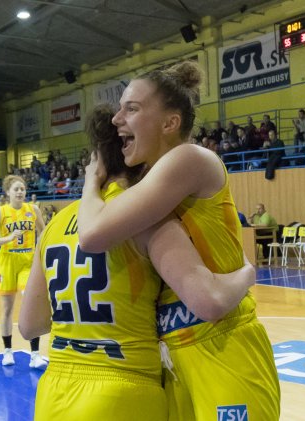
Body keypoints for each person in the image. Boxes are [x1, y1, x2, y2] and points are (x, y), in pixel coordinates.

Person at [19, 105, 254, 421]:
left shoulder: (53, 226)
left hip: (54, 391)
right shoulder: (148, 221)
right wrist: (246, 272)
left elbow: (29, 326)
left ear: (96, 160)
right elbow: (206, 299)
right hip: (123, 389)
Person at [77, 61, 280, 420]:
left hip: (223, 343)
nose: (116, 118)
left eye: (132, 108)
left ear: (170, 123)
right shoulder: (148, 185)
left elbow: (91, 235)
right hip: (173, 351)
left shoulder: (189, 158)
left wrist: (91, 182)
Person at [0, 175, 46, 368]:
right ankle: (7, 351)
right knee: (7, 309)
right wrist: (7, 238)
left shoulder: (33, 210)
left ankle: (35, 354)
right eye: (16, 189)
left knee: (31, 302)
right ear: (8, 192)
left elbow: (44, 233)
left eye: (23, 189)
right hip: (7, 262)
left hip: (28, 262)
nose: (20, 192)